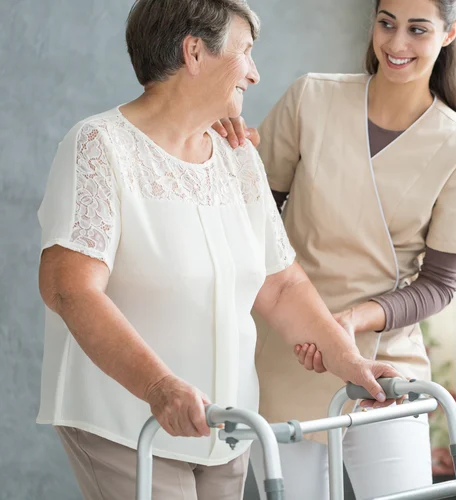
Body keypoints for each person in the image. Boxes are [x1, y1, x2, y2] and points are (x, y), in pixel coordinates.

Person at [35, 1, 400, 498]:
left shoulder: (237, 156)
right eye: (245, 52)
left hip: (227, 430)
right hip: (128, 426)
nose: (253, 73)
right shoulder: (100, 146)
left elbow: (280, 282)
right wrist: (159, 387)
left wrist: (348, 360)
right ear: (194, 52)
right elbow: (69, 289)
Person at [213, 0, 456, 497]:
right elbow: (249, 216)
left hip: (385, 366)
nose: (396, 44)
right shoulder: (311, 99)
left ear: (449, 34)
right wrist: (226, 150)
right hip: (287, 353)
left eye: (417, 30)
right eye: (386, 24)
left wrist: (351, 321)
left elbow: (439, 285)